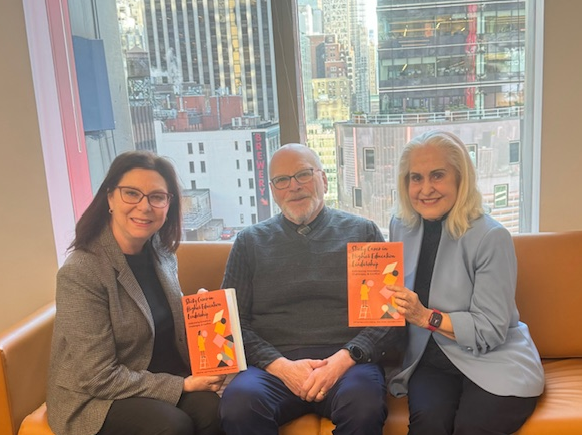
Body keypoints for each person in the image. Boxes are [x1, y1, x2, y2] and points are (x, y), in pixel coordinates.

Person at [218, 143, 404, 435]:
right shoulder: (249, 243)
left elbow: (388, 319)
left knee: (364, 406)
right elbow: (232, 324)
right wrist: (280, 367)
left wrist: (343, 359)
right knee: (239, 403)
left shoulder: (362, 233)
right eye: (282, 180)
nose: (293, 187)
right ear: (272, 189)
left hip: (347, 363)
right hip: (273, 367)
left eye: (303, 174)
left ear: (324, 179)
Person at [47, 151, 225, 435]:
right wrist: (183, 385)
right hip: (97, 396)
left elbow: (164, 323)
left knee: (214, 410)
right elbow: (98, 377)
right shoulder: (81, 271)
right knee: (172, 426)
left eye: (157, 197)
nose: (145, 207)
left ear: (168, 205)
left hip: (155, 375)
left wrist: (201, 312)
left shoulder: (161, 252)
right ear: (110, 198)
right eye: (132, 193)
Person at [387, 131, 544, 435]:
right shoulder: (400, 225)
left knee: (471, 428)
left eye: (438, 176)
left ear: (461, 179)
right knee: (427, 426)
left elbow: (491, 329)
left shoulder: (491, 236)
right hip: (431, 361)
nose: (425, 189)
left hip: (494, 358)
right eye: (415, 178)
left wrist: (423, 316)